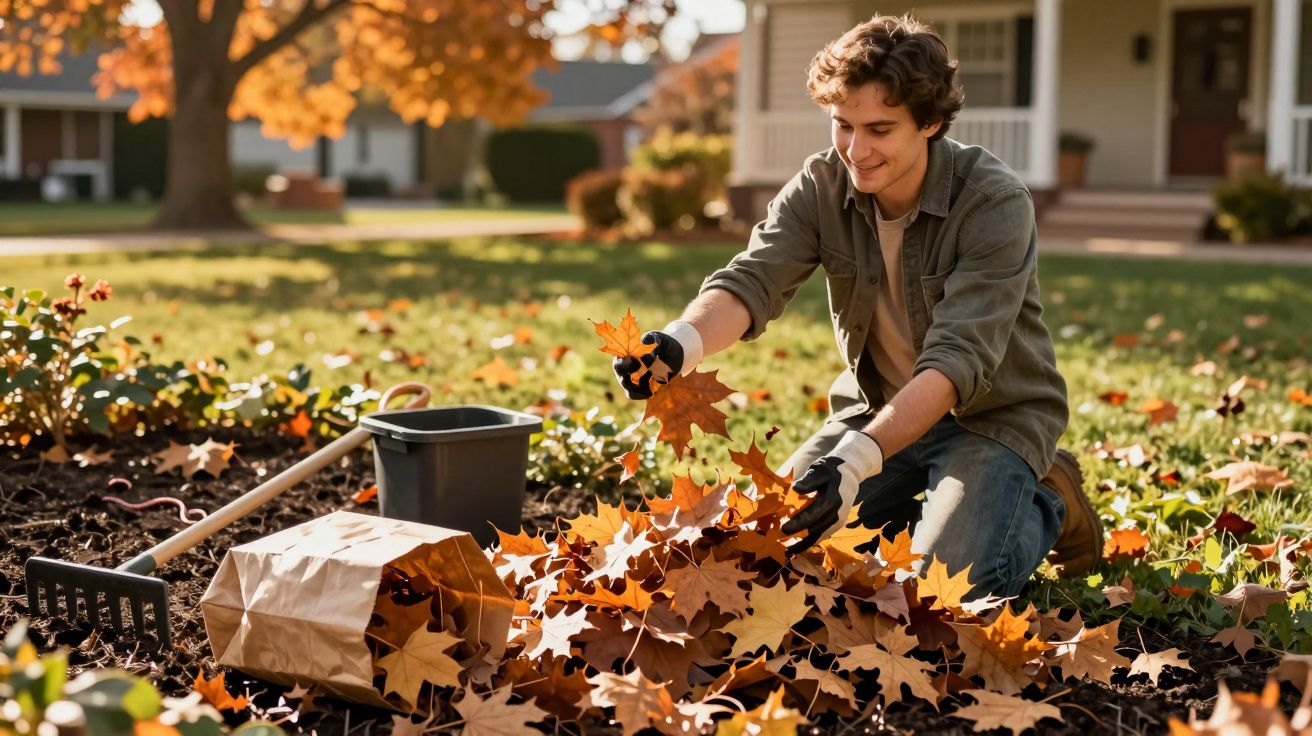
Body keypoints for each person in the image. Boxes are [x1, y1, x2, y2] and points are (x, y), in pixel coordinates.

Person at [612, 14, 1103, 600]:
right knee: (772, 545)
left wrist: (853, 462)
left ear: (931, 123)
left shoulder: (993, 201)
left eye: (879, 129)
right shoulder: (821, 185)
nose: (856, 150)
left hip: (990, 419)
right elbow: (754, 280)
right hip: (876, 409)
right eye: (843, 125)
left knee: (948, 591)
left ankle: (1046, 496)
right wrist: (679, 342)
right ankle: (911, 513)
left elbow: (956, 361)